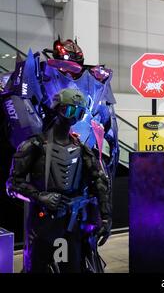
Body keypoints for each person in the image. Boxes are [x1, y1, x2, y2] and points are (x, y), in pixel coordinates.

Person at [7, 88, 112, 273]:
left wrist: (105, 218)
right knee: (37, 267)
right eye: (69, 110)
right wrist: (40, 197)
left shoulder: (83, 150)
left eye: (78, 113)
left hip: (73, 222)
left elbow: (100, 182)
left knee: (72, 267)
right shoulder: (34, 145)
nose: (73, 117)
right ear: (58, 108)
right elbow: (12, 184)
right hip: (42, 222)